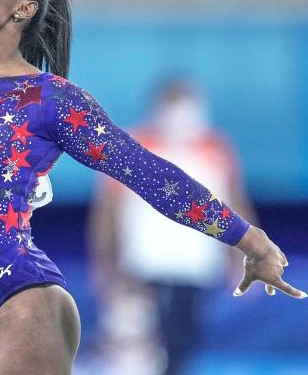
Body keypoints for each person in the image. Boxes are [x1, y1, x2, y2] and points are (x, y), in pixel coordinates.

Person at [0, 0, 307, 375]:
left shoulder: (50, 98)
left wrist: (250, 240)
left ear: (23, 8)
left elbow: (147, 172)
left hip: (22, 296)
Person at [88, 79, 259, 375]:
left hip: (196, 266)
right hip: (144, 264)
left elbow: (236, 205)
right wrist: (105, 262)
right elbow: (107, 211)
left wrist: (248, 258)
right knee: (140, 347)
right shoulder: (133, 146)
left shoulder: (216, 149)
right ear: (159, 110)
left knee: (182, 344)